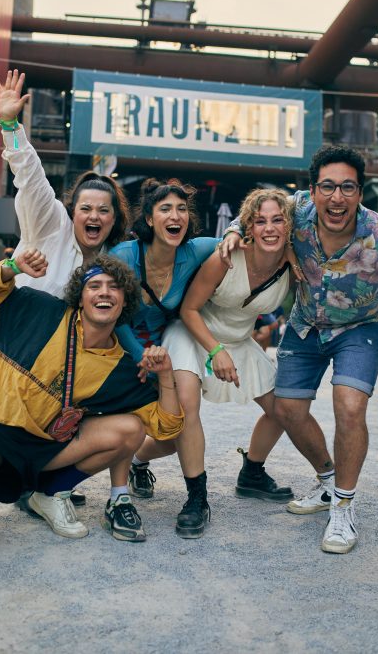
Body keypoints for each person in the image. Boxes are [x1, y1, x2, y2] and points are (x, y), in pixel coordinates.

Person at [221, 145, 378, 554]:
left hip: (361, 328)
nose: (337, 197)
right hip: (306, 325)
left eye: (348, 187)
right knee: (287, 409)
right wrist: (233, 232)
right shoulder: (296, 211)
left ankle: (343, 506)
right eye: (327, 187)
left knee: (348, 406)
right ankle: (328, 481)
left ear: (361, 193)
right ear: (312, 190)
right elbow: (252, 214)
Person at [0, 249, 183, 557]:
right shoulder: (38, 309)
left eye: (114, 287)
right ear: (80, 297)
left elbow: (166, 426)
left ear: (125, 301)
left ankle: (50, 494)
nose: (104, 292)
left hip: (49, 453)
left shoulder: (124, 369)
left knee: (130, 429)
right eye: (94, 285)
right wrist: (12, 266)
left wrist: (167, 375)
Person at [0, 68, 131, 507]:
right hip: (22, 341)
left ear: (113, 219)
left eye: (104, 211)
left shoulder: (111, 262)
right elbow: (30, 176)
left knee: (72, 418)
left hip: (66, 356)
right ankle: (21, 484)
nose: (94, 216)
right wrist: (12, 127)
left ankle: (47, 484)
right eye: (86, 207)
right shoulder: (50, 222)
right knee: (19, 422)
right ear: (73, 211)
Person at [141, 188, 296, 532]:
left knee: (285, 410)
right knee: (184, 413)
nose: (269, 228)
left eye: (277, 220)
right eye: (259, 221)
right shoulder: (226, 256)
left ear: (288, 226)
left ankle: (252, 472)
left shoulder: (293, 262)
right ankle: (196, 497)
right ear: (248, 228)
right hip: (196, 332)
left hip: (239, 340)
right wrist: (215, 350)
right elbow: (189, 309)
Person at [110, 178, 221, 538]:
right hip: (124, 347)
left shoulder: (195, 250)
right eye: (166, 209)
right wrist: (141, 356)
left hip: (166, 344)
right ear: (149, 217)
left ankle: (197, 498)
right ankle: (108, 486)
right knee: (126, 423)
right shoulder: (125, 256)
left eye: (182, 209)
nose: (176, 216)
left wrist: (234, 235)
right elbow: (114, 316)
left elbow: (240, 240)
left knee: (182, 419)